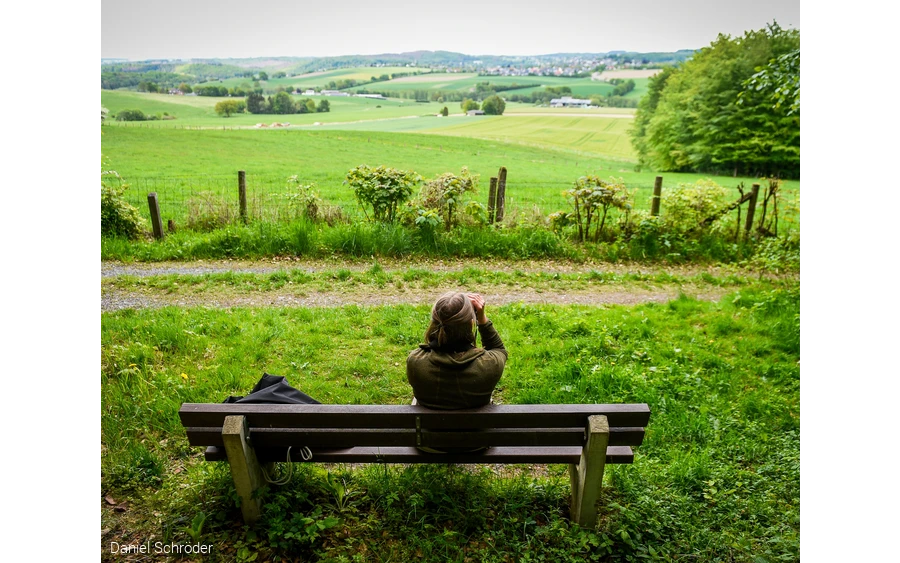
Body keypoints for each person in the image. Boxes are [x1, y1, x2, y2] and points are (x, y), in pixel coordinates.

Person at [407, 291, 508, 453]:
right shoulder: (489, 365)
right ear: (471, 324)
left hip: (429, 444)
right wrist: (482, 318)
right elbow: (499, 349)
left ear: (435, 324)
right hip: (475, 444)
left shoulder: (415, 361)